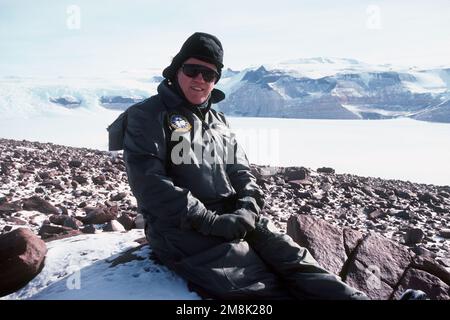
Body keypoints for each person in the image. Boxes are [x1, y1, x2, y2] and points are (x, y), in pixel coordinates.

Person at [107, 32, 424, 300]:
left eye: (210, 74)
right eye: (192, 70)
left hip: (232, 216)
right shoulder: (147, 116)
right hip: (181, 229)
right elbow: (149, 184)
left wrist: (247, 207)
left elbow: (240, 169)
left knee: (294, 259)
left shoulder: (217, 120)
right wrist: (211, 222)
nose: (200, 80)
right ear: (177, 69)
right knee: (256, 284)